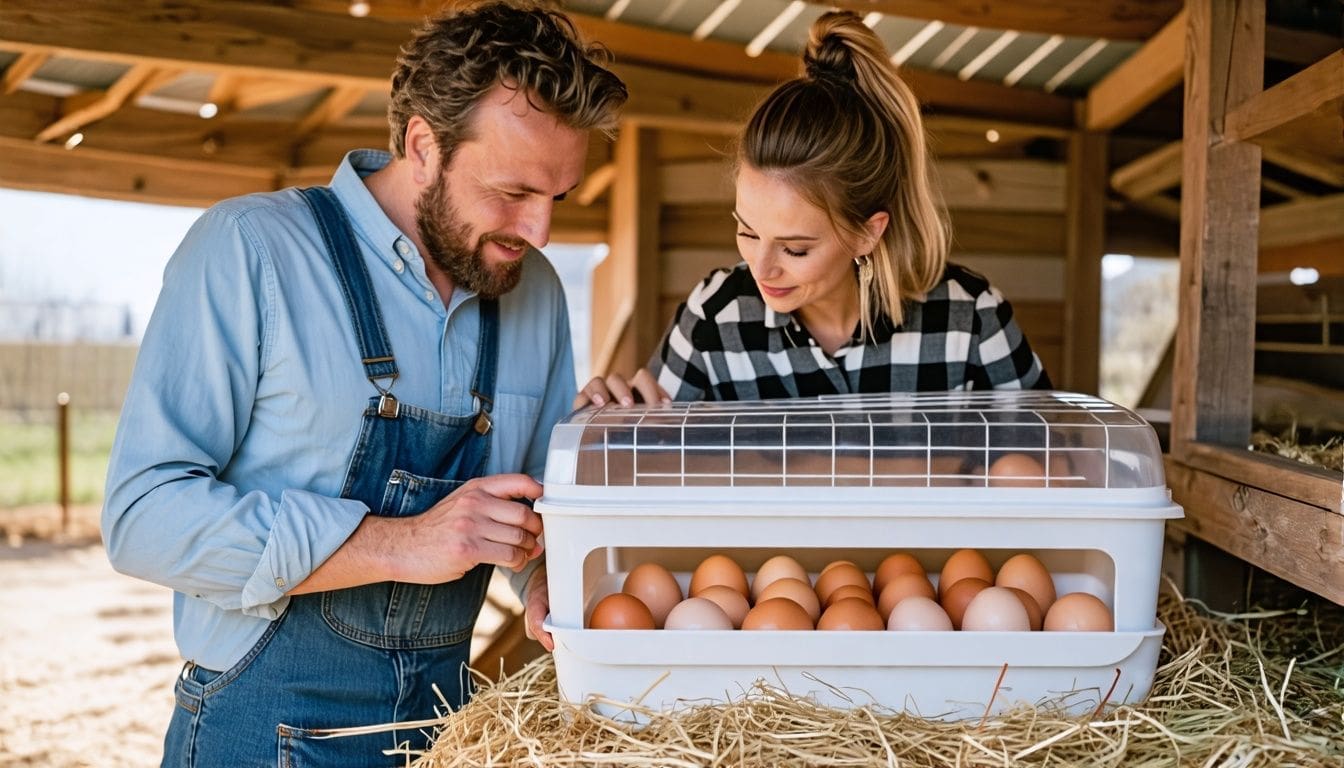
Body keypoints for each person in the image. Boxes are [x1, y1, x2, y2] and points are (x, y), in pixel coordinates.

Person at [101, 4, 626, 765]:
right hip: (261, 733)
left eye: (560, 197)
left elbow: (533, 510)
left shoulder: (534, 289)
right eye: (513, 191)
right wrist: (397, 544)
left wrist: (547, 580)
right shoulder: (252, 251)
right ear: (423, 144)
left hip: (445, 734)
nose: (540, 231)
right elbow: (142, 518)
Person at [576, 9, 1049, 410]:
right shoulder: (715, 317)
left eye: (795, 249)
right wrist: (609, 425)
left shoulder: (971, 318)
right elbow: (650, 467)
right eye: (747, 231)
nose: (760, 268)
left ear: (868, 232)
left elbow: (1054, 471)